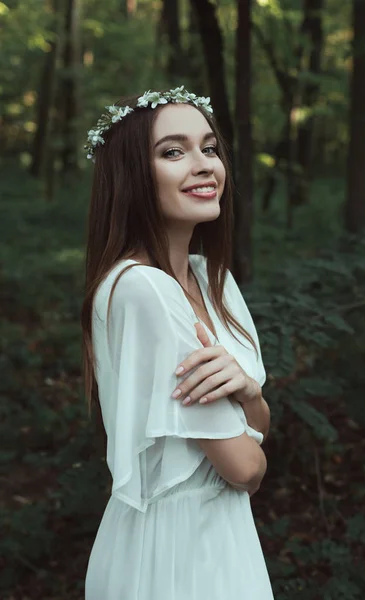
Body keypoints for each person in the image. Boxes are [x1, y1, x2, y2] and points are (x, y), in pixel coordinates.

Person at [81, 86, 274, 600]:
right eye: (173, 151)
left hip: (222, 536)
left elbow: (257, 425)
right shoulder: (144, 290)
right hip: (177, 553)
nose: (203, 165)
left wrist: (249, 397)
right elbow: (245, 468)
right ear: (132, 175)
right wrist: (249, 421)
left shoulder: (210, 279)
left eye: (209, 148)